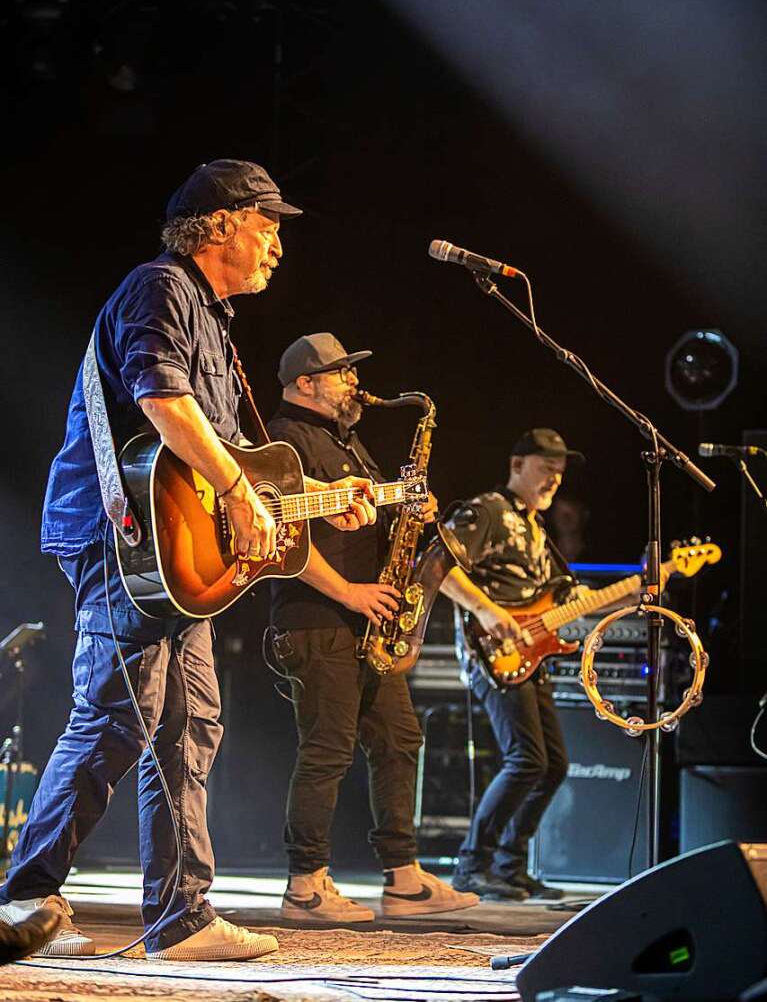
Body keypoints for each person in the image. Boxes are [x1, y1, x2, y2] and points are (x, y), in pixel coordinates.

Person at [0, 161, 376, 961]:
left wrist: (313, 497)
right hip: (122, 536)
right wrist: (239, 491)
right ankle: (25, 897)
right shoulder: (159, 287)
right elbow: (163, 402)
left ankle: (180, 916)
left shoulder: (219, 323)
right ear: (217, 224)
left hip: (172, 554)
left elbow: (237, 456)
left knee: (189, 723)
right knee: (115, 711)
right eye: (266, 222)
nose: (278, 241)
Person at [267, 333, 479, 922]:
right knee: (327, 749)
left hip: (367, 620)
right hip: (317, 619)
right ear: (304, 382)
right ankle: (305, 887)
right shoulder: (284, 443)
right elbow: (284, 546)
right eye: (341, 374)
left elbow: (373, 524)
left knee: (399, 739)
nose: (354, 383)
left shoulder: (350, 441)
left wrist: (413, 511)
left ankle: (403, 880)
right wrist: (352, 593)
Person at [439, 428, 586, 901]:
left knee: (553, 765)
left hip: (532, 652)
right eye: (546, 470)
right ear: (517, 464)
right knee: (527, 760)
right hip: (493, 651)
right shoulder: (487, 511)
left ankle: (508, 866)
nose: (554, 481)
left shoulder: (537, 528)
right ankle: (472, 864)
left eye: (560, 475)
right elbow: (437, 566)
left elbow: (547, 596)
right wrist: (487, 611)